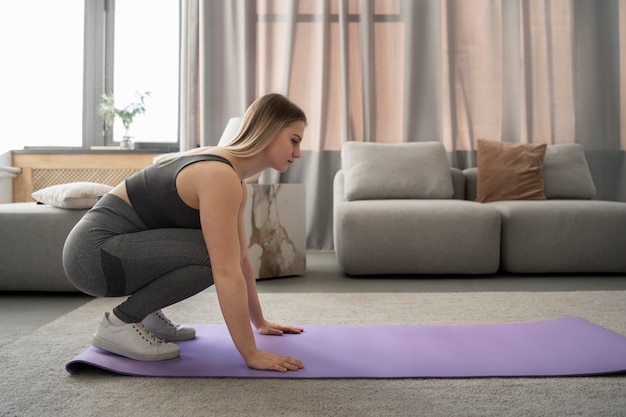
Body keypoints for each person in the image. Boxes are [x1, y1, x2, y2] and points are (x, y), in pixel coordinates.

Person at [63, 93, 306, 373]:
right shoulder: (219, 175)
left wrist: (259, 322)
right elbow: (226, 271)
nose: (298, 153)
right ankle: (119, 323)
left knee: (224, 254)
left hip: (107, 251)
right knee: (210, 256)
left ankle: (146, 314)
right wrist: (251, 353)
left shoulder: (234, 179)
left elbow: (241, 259)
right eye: (294, 140)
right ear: (269, 131)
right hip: (93, 255)